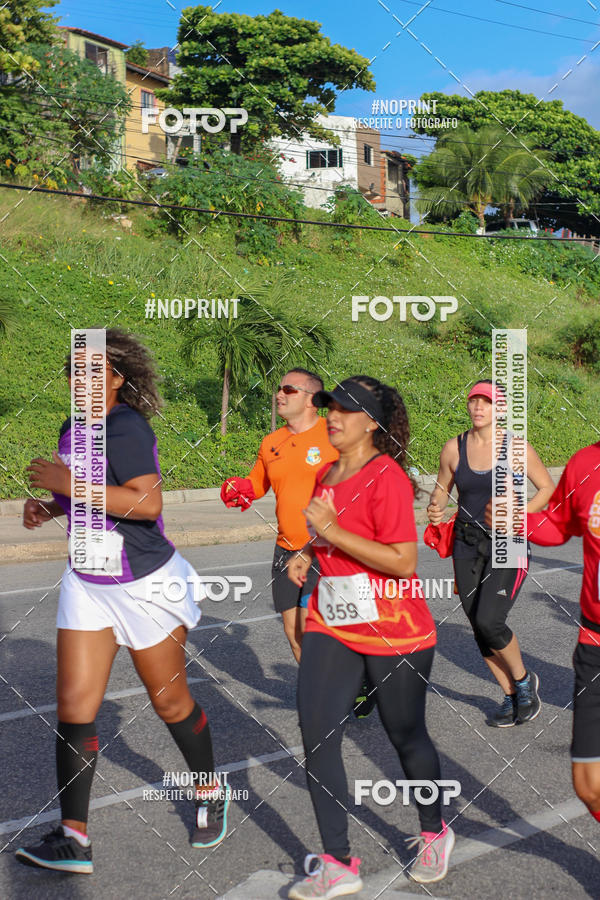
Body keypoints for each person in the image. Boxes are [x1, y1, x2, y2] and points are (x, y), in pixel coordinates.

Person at [15, 329, 227, 875]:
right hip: (87, 582)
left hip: (144, 584)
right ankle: (74, 838)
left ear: (117, 379)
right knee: (74, 707)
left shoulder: (125, 426)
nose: (80, 381)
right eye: (74, 371)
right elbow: (87, 495)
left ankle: (209, 790)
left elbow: (146, 503)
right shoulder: (72, 429)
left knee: (170, 702)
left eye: (94, 372)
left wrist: (70, 486)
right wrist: (51, 507)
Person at [287, 376, 455, 898]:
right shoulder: (326, 473)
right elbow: (329, 534)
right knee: (317, 735)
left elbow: (403, 561)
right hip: (332, 620)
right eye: (329, 407)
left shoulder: (387, 477)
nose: (332, 417)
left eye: (345, 409)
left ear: (372, 423)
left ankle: (434, 831)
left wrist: (331, 532)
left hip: (393, 627)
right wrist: (309, 551)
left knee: (406, 735)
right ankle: (337, 863)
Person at [427, 380, 554, 728]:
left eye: (488, 401)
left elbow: (546, 488)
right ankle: (510, 695)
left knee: (489, 621)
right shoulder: (454, 447)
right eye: (475, 400)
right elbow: (441, 488)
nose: (479, 407)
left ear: (501, 408)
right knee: (477, 624)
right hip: (466, 543)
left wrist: (519, 515)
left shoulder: (517, 448)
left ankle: (524, 682)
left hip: (508, 543)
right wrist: (436, 506)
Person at [220, 368, 338, 662]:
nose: (278, 395)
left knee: (313, 629)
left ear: (312, 399)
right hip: (286, 549)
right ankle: (320, 688)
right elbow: (258, 484)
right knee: (294, 634)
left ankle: (346, 681)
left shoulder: (335, 435)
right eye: (279, 389)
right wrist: (240, 489)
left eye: (288, 390)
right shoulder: (271, 442)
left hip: (327, 548)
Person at [519, 442, 600, 825]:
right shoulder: (586, 462)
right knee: (589, 784)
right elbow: (558, 523)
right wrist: (517, 520)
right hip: (594, 643)